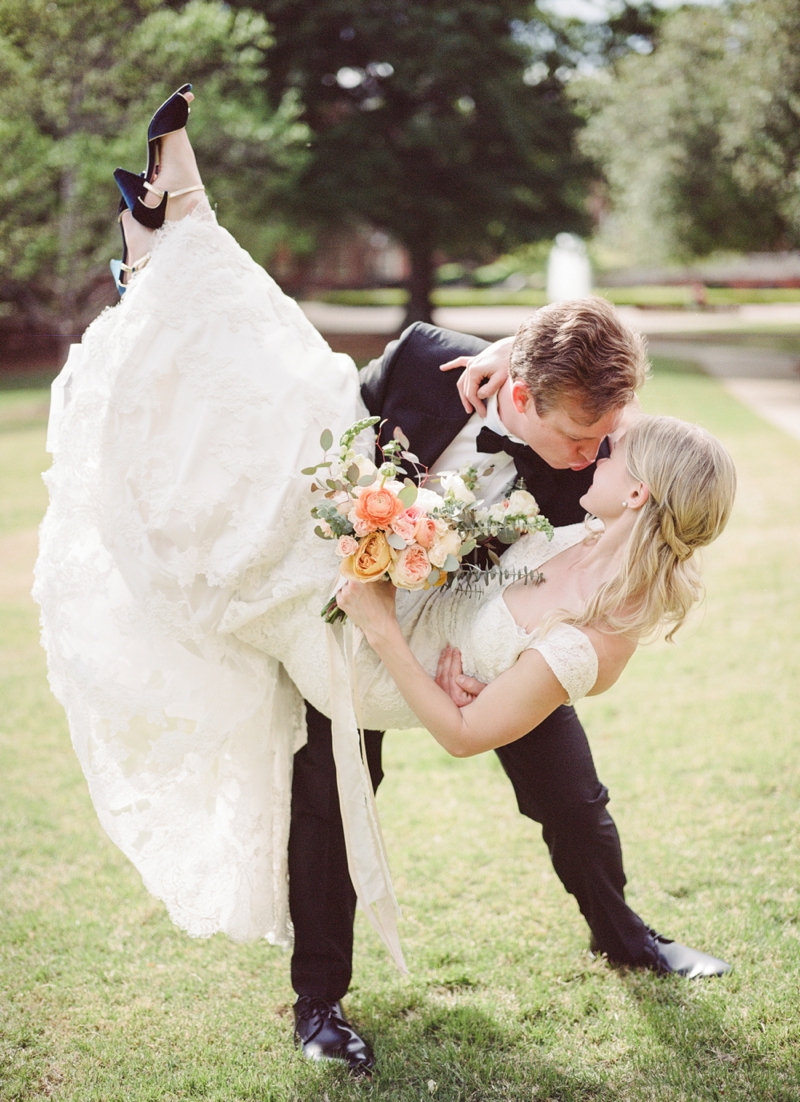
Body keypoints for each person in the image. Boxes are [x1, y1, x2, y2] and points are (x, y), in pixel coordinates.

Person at [33, 86, 736, 1078]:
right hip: (352, 617)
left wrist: (525, 341)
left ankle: (625, 935)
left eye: (600, 441)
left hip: (498, 625)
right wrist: (369, 571)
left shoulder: (582, 448)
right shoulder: (414, 366)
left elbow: (625, 429)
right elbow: (301, 446)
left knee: (569, 794)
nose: (590, 457)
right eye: (579, 437)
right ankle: (318, 1004)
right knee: (331, 790)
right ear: (522, 394)